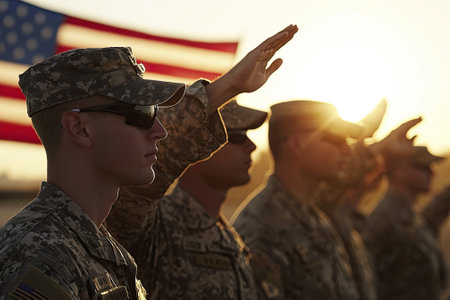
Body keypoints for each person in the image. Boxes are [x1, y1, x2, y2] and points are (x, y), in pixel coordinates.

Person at [0, 24, 298, 299]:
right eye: (142, 114)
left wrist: (229, 87)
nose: (160, 131)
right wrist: (226, 87)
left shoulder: (102, 246)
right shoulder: (38, 253)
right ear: (81, 129)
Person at [232, 100, 420, 300]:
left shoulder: (317, 215)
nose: (347, 150)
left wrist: (382, 148)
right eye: (336, 141)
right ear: (297, 144)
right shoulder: (262, 229)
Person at [129, 100, 267, 299]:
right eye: (236, 136)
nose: (252, 146)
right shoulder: (158, 225)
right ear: (196, 146)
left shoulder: (227, 234)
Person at [366, 145, 449, 300]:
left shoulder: (409, 215)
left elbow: (432, 219)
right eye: (423, 167)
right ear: (399, 171)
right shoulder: (385, 220)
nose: (432, 172)